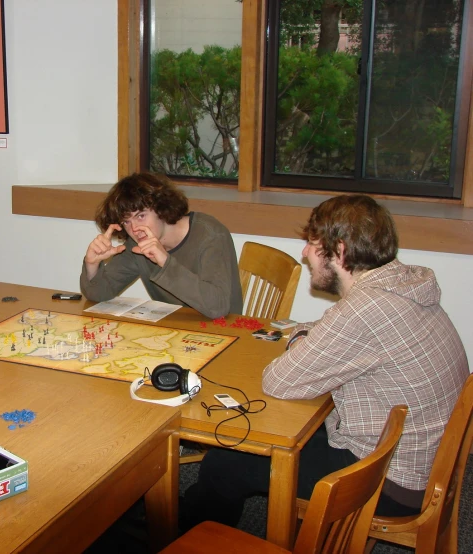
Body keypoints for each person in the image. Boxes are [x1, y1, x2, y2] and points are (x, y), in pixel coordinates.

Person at [181, 194, 469, 530]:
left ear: (340, 251)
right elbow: (321, 328)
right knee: (292, 426)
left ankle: (187, 535)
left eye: (312, 244)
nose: (304, 253)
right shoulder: (401, 284)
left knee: (226, 461)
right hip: (421, 461)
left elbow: (279, 381)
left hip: (388, 479)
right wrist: (307, 338)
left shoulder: (366, 309)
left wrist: (303, 341)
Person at [80, 172, 242, 319]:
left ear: (162, 207)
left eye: (141, 216)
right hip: (177, 330)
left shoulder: (210, 235)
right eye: (126, 222)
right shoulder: (137, 245)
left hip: (223, 332)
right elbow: (99, 294)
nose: (134, 229)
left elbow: (218, 308)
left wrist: (165, 262)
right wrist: (92, 265)